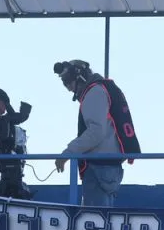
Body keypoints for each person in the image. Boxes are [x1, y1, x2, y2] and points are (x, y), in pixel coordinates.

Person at [53, 60, 140, 206]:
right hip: (108, 166)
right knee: (102, 216)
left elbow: (96, 132)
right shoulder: (102, 89)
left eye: (68, 81)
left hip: (99, 167)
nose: (68, 87)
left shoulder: (94, 92)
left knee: (95, 218)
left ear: (80, 77)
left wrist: (68, 153)